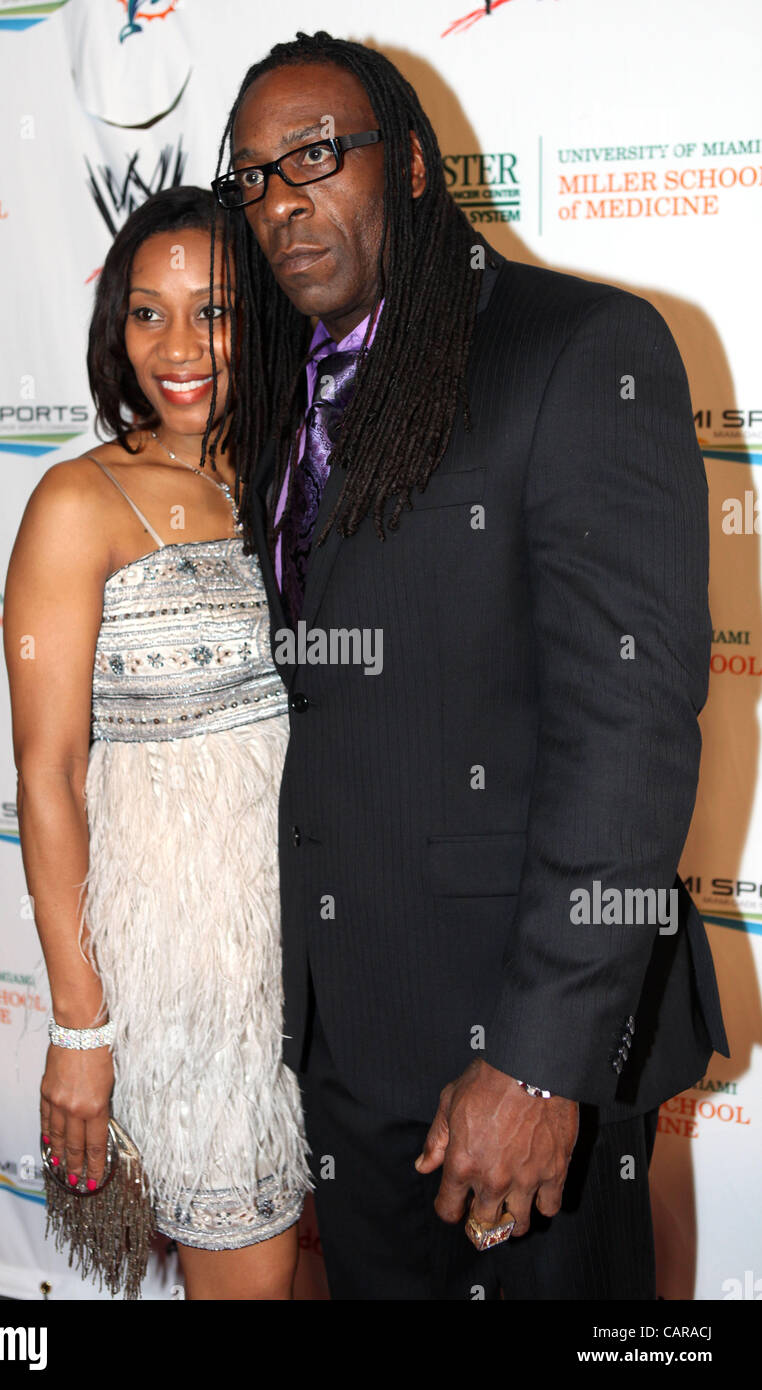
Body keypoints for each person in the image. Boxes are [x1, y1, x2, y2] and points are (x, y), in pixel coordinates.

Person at [206, 31, 729, 1300]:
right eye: (253, 179)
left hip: (515, 1047)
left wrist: (540, 1063)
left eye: (316, 156)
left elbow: (631, 725)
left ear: (414, 168)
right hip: (350, 1041)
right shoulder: (286, 394)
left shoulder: (577, 348)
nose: (282, 201)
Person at [2, 186, 311, 1301]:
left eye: (213, 311)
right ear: (113, 329)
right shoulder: (77, 503)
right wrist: (82, 1025)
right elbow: (45, 776)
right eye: (146, 313)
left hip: (321, 950)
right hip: (189, 971)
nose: (177, 347)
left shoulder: (286, 482)